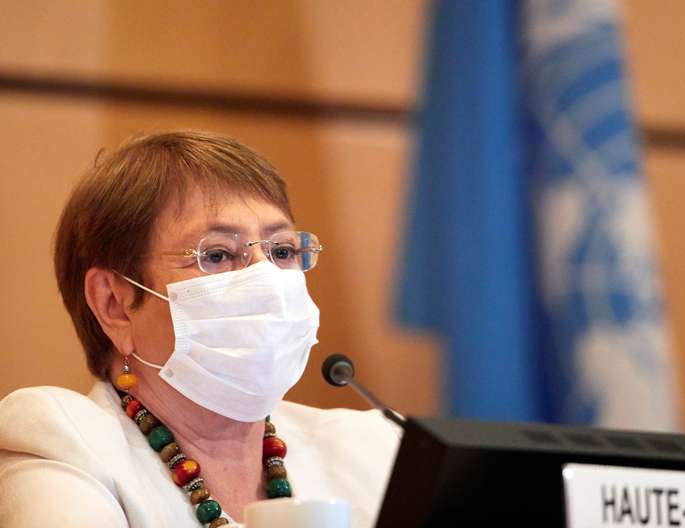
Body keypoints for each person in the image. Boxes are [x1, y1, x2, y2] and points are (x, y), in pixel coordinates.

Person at [0, 131, 399, 527]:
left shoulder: (374, 451)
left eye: (282, 251)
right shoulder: (65, 445)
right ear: (114, 305)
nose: (267, 280)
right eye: (218, 255)